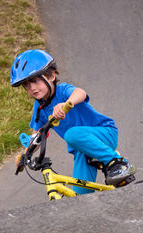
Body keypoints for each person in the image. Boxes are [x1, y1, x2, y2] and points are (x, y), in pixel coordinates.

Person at [10, 49, 134, 194]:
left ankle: (118, 163)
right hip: (81, 151)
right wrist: (25, 155)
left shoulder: (62, 91)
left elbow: (80, 93)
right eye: (26, 85)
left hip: (104, 133)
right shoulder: (39, 107)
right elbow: (38, 134)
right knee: (78, 197)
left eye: (35, 81)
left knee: (71, 134)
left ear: (51, 75)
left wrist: (66, 103)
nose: (31, 88)